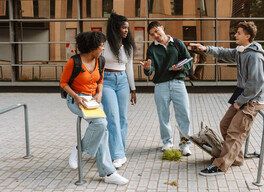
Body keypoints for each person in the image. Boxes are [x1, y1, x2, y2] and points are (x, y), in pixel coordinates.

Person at [190, 21, 264, 176]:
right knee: (225, 124)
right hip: (243, 94)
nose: (235, 35)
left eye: (238, 33)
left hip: (253, 99)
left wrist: (240, 101)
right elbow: (224, 53)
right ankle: (236, 158)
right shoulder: (241, 51)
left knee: (235, 131)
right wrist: (205, 48)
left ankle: (220, 165)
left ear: (248, 36)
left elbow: (256, 84)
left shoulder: (254, 56)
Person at [60, 31, 128, 185]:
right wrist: (77, 97)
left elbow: (100, 81)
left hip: (93, 100)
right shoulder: (74, 62)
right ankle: (83, 153)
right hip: (76, 99)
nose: (103, 49)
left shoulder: (100, 61)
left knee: (102, 131)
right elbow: (63, 83)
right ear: (92, 47)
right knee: (101, 123)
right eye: (101, 46)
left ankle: (107, 171)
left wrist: (99, 94)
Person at [140, 21, 192, 156]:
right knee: (163, 116)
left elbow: (189, 60)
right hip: (161, 85)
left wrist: (181, 67)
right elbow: (150, 68)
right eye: (152, 34)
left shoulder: (177, 43)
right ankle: (167, 142)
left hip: (178, 83)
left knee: (184, 114)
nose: (156, 35)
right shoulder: (152, 49)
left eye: (157, 31)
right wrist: (147, 68)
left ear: (162, 27)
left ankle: (185, 144)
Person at [101, 13, 136, 168]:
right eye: (123, 27)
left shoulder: (128, 47)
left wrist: (133, 89)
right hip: (106, 81)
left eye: (127, 28)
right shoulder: (104, 44)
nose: (126, 30)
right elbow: (98, 66)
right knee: (113, 117)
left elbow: (129, 68)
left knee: (122, 119)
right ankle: (117, 155)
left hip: (122, 82)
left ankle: (119, 151)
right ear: (116, 28)